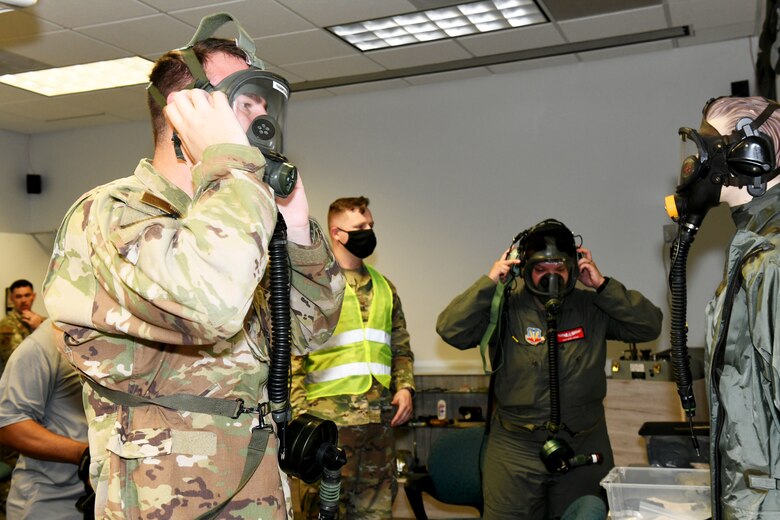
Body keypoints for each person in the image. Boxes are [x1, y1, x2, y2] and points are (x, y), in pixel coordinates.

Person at [41, 18, 345, 520]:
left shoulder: (238, 216)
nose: (261, 116)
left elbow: (309, 330)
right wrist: (235, 171)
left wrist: (293, 227)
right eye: (244, 102)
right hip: (168, 497)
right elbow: (211, 304)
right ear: (186, 114)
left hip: (257, 486)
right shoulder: (113, 214)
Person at [436, 219, 663, 519]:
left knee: (586, 513)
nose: (551, 277)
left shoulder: (592, 307)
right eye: (542, 269)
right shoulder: (504, 307)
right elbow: (451, 329)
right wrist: (490, 283)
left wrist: (602, 285)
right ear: (525, 269)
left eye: (559, 269)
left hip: (582, 444)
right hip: (515, 450)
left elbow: (649, 325)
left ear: (574, 268)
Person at [667, 96, 780, 518]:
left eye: (707, 146)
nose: (694, 164)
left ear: (750, 156)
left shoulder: (772, 262)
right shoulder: (754, 252)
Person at [290, 196, 415, 519]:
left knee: (377, 512)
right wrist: (301, 416)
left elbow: (399, 346)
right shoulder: (315, 286)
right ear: (337, 233)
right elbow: (293, 355)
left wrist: (405, 388)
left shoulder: (385, 288)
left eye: (371, 225)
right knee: (324, 512)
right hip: (329, 426)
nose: (369, 232)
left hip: (378, 423)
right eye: (360, 227)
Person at [0, 320, 90, 520]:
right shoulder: (40, 346)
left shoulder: (103, 337)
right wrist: (84, 455)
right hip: (50, 502)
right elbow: (9, 425)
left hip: (97, 498)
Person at [0, 280, 45, 370]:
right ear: (11, 298)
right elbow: (19, 360)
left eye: (27, 295)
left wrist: (40, 326)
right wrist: (41, 330)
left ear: (33, 296)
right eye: (18, 296)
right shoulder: (5, 326)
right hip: (18, 380)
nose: (23, 300)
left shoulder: (43, 321)